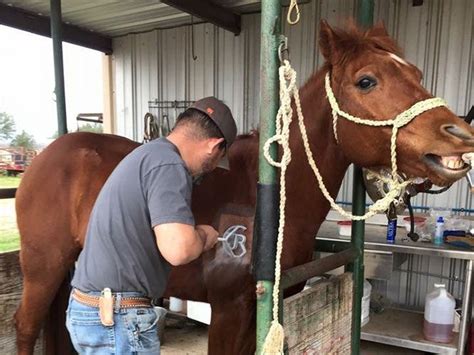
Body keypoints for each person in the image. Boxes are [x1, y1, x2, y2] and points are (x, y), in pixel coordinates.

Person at [66, 97, 237, 354]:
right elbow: (178, 250)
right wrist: (204, 235)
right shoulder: (169, 165)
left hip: (92, 310)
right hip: (117, 318)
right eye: (215, 162)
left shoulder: (148, 155)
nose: (210, 169)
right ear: (214, 146)